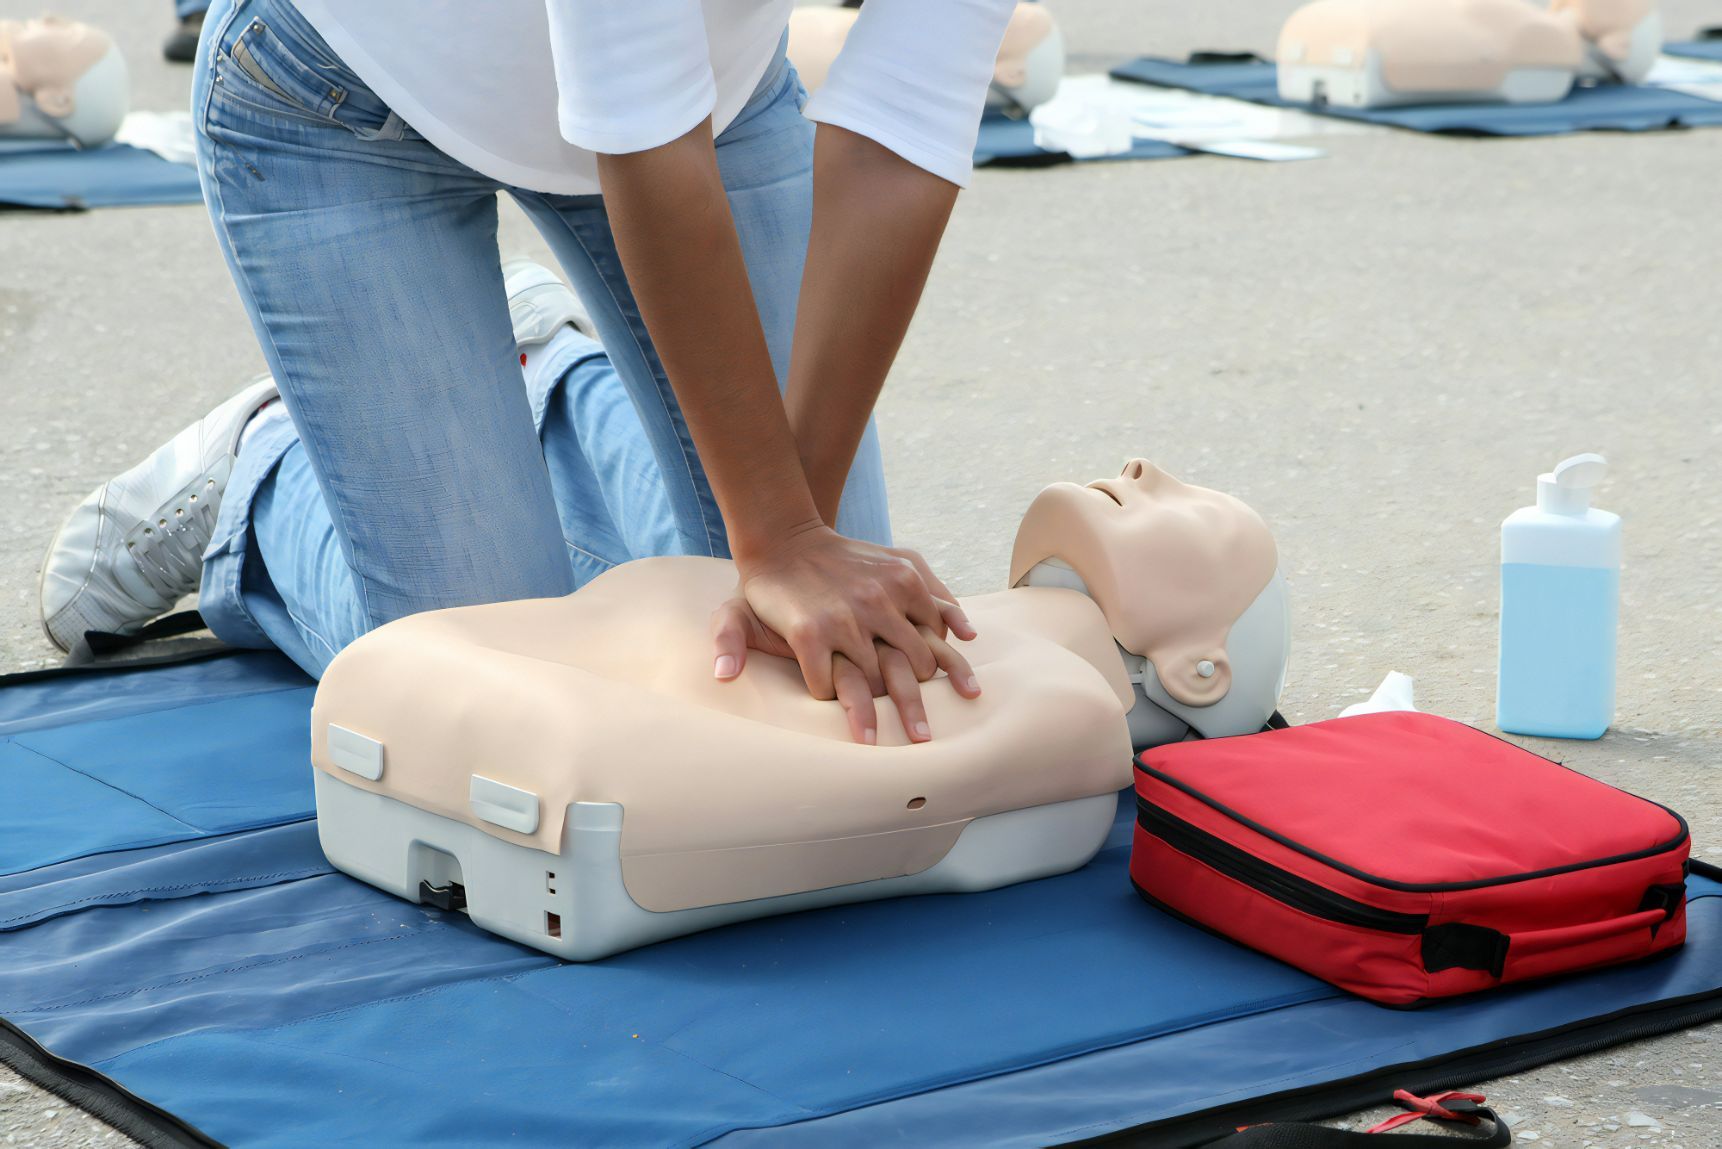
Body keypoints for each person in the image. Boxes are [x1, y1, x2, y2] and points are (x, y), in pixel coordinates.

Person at [42, 0, 1014, 745]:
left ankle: (544, 381)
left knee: (823, 683)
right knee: (500, 716)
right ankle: (261, 483)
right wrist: (781, 533)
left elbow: (901, 136)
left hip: (702, 101)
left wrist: (802, 532)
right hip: (341, 103)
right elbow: (642, 137)